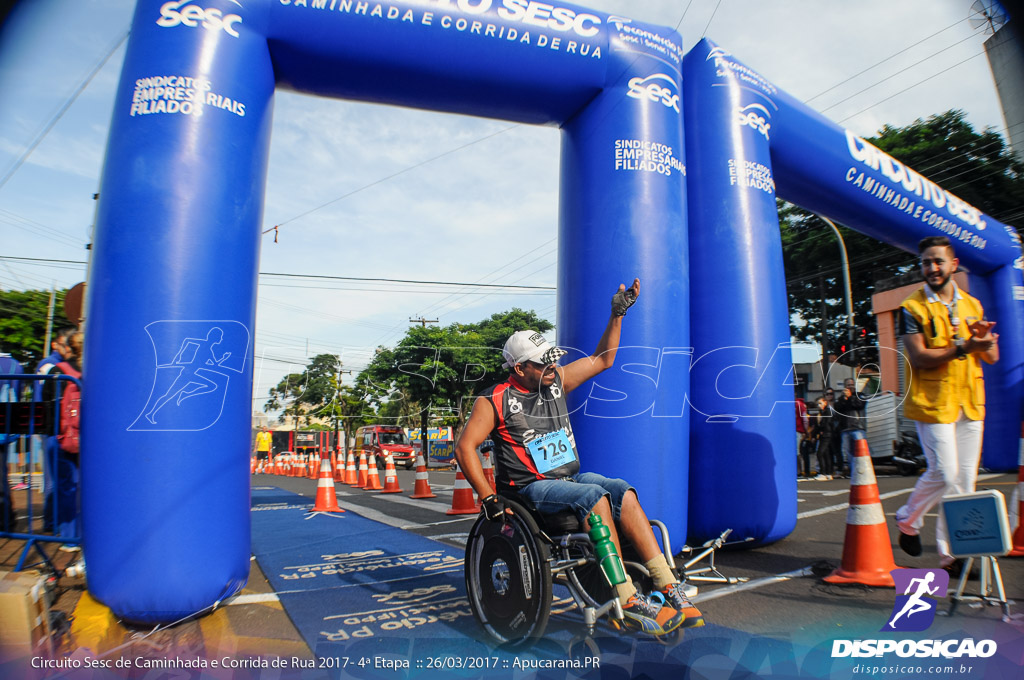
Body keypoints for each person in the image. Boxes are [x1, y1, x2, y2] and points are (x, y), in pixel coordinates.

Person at [455, 279, 704, 637]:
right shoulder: (493, 400)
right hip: (530, 489)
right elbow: (466, 448)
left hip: (567, 480)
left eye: (552, 361)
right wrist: (488, 498)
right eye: (542, 365)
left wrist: (617, 314)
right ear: (519, 369)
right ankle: (626, 597)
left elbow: (604, 359)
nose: (552, 368)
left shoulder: (555, 382)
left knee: (622, 490)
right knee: (594, 497)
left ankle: (667, 584)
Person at [894, 236, 999, 576]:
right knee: (946, 472)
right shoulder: (912, 308)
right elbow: (920, 357)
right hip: (933, 404)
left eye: (938, 261)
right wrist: (966, 346)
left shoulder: (973, 305)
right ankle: (908, 519)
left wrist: (982, 340)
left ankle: (952, 555)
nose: (932, 268)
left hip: (969, 402)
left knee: (964, 482)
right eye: (926, 262)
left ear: (954, 265)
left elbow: (993, 357)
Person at [43, 331, 84, 551]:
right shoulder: (99, 370)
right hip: (93, 439)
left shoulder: (58, 372)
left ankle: (69, 537)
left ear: (66, 347)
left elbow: (48, 405)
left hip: (64, 438)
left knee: (66, 486)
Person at [0, 349, 24, 530]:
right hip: (6, 425)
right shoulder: (15, 366)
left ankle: (6, 519)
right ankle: (7, 519)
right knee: (2, 473)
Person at [833, 377, 869, 477]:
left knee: (862, 450)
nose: (851, 386)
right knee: (848, 452)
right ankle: (854, 472)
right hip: (845, 428)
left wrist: (850, 397)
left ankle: (865, 471)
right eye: (848, 385)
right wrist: (844, 399)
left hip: (858, 427)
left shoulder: (860, 395)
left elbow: (859, 405)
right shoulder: (841, 398)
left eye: (852, 384)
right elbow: (838, 408)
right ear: (845, 386)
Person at [809, 396, 835, 481]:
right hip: (824, 435)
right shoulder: (821, 412)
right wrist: (814, 435)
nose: (819, 405)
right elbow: (817, 426)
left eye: (820, 403)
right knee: (826, 454)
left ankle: (823, 473)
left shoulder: (827, 412)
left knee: (820, 453)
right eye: (817, 404)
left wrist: (820, 429)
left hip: (827, 434)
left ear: (825, 403)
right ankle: (828, 473)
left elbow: (826, 423)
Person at [795, 395, 811, 477]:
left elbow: (805, 419)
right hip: (798, 430)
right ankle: (799, 471)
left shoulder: (798, 405)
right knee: (798, 451)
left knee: (797, 451)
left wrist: (805, 431)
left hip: (797, 430)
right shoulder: (799, 404)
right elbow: (805, 419)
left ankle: (799, 471)